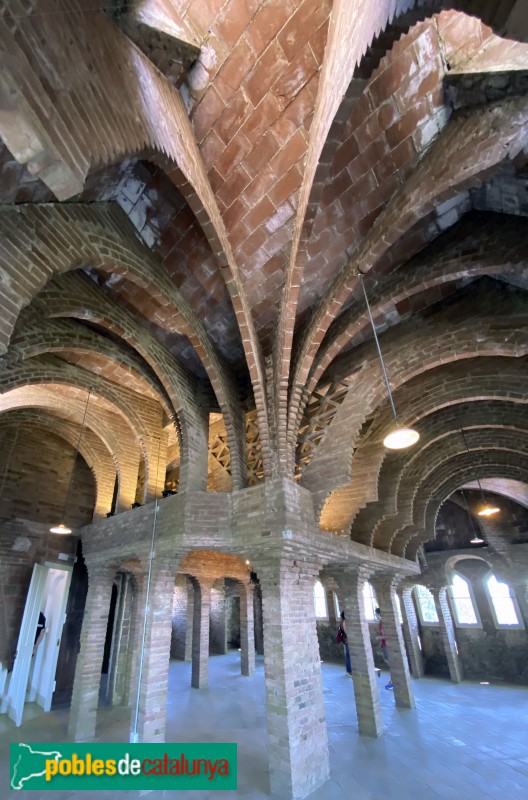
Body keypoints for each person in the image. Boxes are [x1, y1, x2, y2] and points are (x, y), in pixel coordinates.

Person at [375, 607, 392, 689]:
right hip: (385, 644)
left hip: (387, 644)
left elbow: (387, 635)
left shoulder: (383, 623)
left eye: (377, 614)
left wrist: (379, 637)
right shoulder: (382, 622)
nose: (376, 616)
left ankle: (393, 681)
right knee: (387, 660)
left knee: (391, 663)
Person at [338, 611, 352, 676]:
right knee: (348, 655)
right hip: (347, 640)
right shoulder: (345, 622)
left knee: (348, 655)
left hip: (346, 640)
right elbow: (346, 631)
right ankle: (349, 671)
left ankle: (349, 670)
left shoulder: (343, 622)